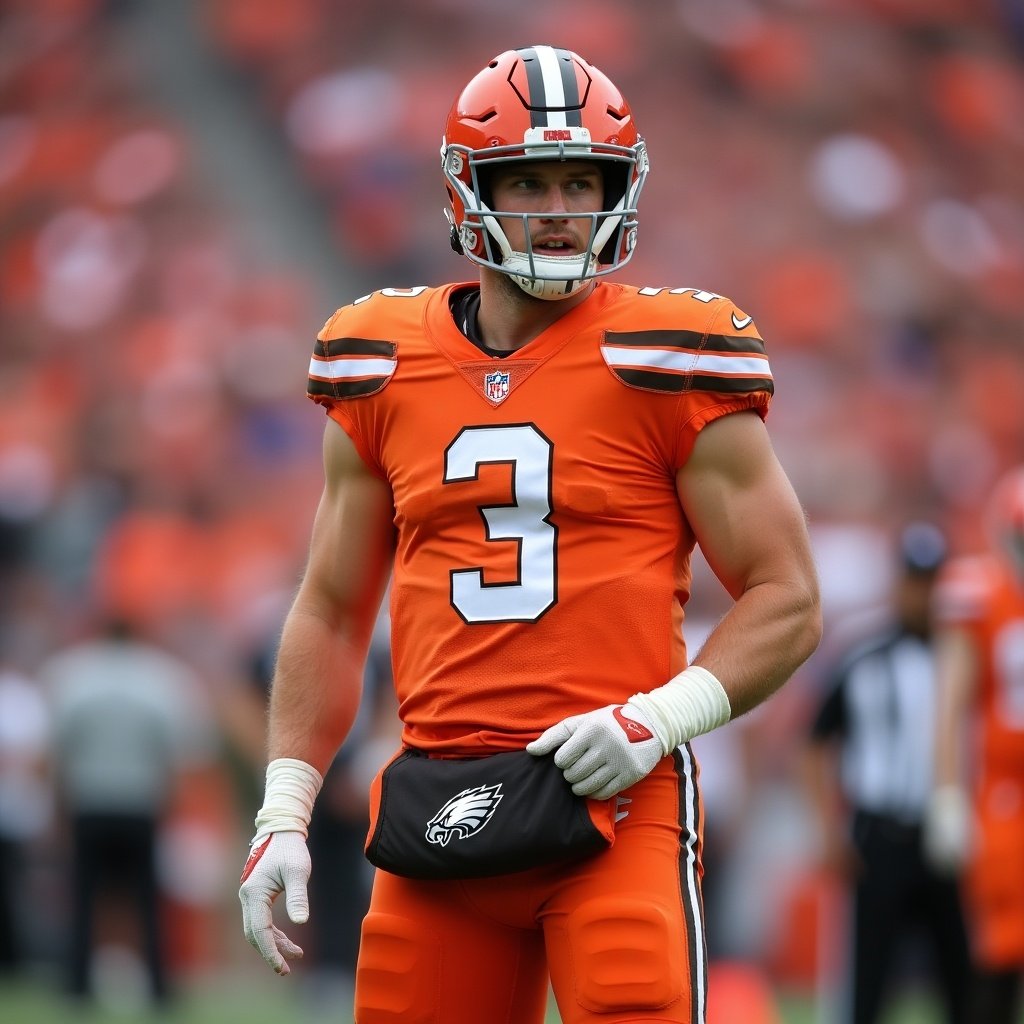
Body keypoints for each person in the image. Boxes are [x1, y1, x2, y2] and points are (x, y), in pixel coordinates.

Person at [238, 44, 821, 1024]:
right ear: (470, 192)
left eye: (580, 180)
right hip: (440, 807)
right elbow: (333, 610)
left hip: (616, 799)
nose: (558, 205)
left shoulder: (669, 353)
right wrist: (283, 807)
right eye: (529, 180)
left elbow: (788, 597)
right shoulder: (379, 360)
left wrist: (657, 721)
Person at [802, 522, 971, 1024]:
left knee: (963, 978)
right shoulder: (862, 655)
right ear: (898, 583)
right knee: (865, 986)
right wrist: (827, 829)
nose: (925, 594)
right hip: (879, 836)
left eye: (934, 581)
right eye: (916, 581)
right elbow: (814, 743)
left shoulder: (963, 652)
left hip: (949, 836)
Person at [41, 615, 213, 1007]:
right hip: (140, 801)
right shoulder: (161, 678)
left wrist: (57, 806)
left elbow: (57, 751)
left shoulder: (73, 674)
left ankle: (77, 985)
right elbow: (183, 752)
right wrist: (170, 802)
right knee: (147, 899)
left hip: (89, 799)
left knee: (84, 896)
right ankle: (158, 986)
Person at [927, 466, 1024, 1023]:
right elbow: (951, 700)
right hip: (1005, 794)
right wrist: (947, 793)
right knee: (1003, 946)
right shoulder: (981, 594)